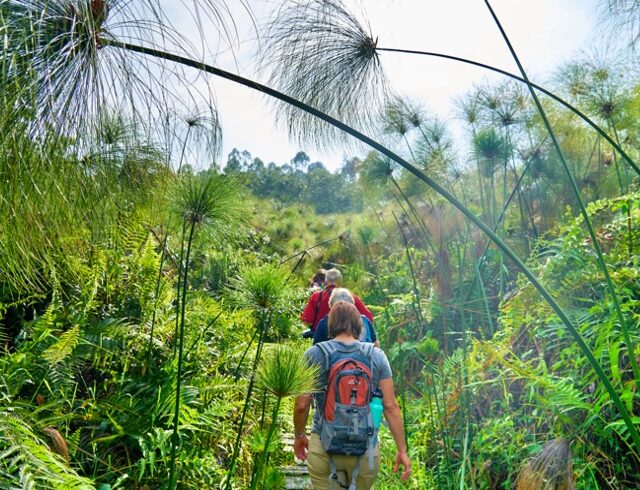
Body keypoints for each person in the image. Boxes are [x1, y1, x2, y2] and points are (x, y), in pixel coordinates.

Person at [293, 302, 411, 489]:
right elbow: (390, 406)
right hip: (366, 452)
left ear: (330, 325)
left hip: (324, 447)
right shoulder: (377, 356)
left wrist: (299, 436)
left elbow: (301, 405)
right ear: (359, 326)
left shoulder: (314, 354)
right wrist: (402, 450)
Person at [300, 268, 373, 332]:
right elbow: (368, 318)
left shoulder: (316, 296)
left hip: (322, 339)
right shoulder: (351, 297)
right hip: (347, 338)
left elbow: (307, 320)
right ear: (340, 281)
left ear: (325, 281)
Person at [313, 287, 379, 347]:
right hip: (364, 359)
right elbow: (376, 345)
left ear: (331, 306)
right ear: (353, 305)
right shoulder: (364, 321)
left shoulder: (324, 322)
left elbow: (316, 350)